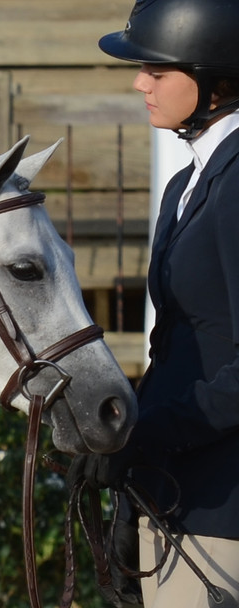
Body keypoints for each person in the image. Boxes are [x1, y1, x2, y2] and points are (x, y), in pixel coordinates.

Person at [70, 0, 239, 606]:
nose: (140, 83)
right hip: (171, 495)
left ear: (214, 79)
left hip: (224, 511)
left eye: (158, 72)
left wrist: (149, 433)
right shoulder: (185, 182)